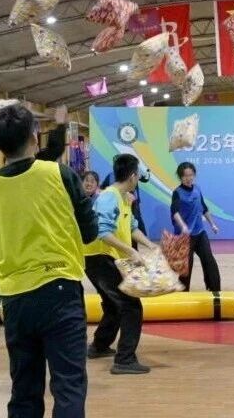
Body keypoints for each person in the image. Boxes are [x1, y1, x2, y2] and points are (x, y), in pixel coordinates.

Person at [0, 104, 98, 418]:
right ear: (33, 136)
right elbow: (90, 231)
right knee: (68, 387)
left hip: (15, 298)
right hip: (61, 291)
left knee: (24, 391)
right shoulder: (59, 174)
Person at [0, 105, 69, 342]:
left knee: (4, 273)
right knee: (11, 274)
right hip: (33, 249)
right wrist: (60, 124)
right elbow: (54, 149)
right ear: (32, 139)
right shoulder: (35, 168)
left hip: (14, 240)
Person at [85, 154, 157, 375]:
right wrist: (131, 251)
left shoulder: (124, 197)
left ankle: (99, 346)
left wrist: (150, 245)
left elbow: (132, 226)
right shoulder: (109, 197)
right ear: (133, 176)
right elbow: (102, 231)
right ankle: (124, 360)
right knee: (131, 307)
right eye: (138, 174)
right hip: (99, 258)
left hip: (106, 258)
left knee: (113, 305)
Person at [171, 162, 221, 291]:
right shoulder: (177, 193)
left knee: (209, 260)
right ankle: (183, 294)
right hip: (185, 236)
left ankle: (215, 291)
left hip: (200, 233)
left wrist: (212, 224)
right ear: (180, 177)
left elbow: (204, 208)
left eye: (191, 175)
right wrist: (183, 226)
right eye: (185, 176)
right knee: (186, 267)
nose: (189, 178)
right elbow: (175, 212)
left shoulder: (197, 189)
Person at [102, 166, 150, 236]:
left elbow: (145, 179)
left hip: (133, 205)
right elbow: (103, 189)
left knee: (136, 222)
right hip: (119, 206)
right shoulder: (111, 176)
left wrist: (147, 172)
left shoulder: (132, 174)